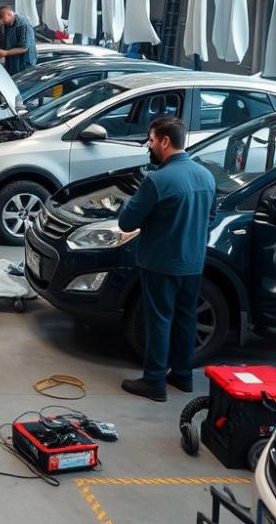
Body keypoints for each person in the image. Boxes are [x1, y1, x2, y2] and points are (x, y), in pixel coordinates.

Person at [117, 116, 216, 402]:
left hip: (160, 263)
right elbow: (209, 218)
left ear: (164, 141)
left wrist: (130, 200)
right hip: (193, 263)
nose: (149, 146)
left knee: (159, 320)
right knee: (186, 319)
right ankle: (183, 376)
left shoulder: (157, 180)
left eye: (150, 140)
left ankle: (154, 381)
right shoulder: (206, 176)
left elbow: (126, 222)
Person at [0, 5, 37, 75]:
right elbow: (7, 42)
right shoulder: (7, 24)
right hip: (11, 65)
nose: (1, 22)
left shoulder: (24, 25)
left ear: (10, 14)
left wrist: (6, 53)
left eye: (2, 19)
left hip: (24, 66)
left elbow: (24, 48)